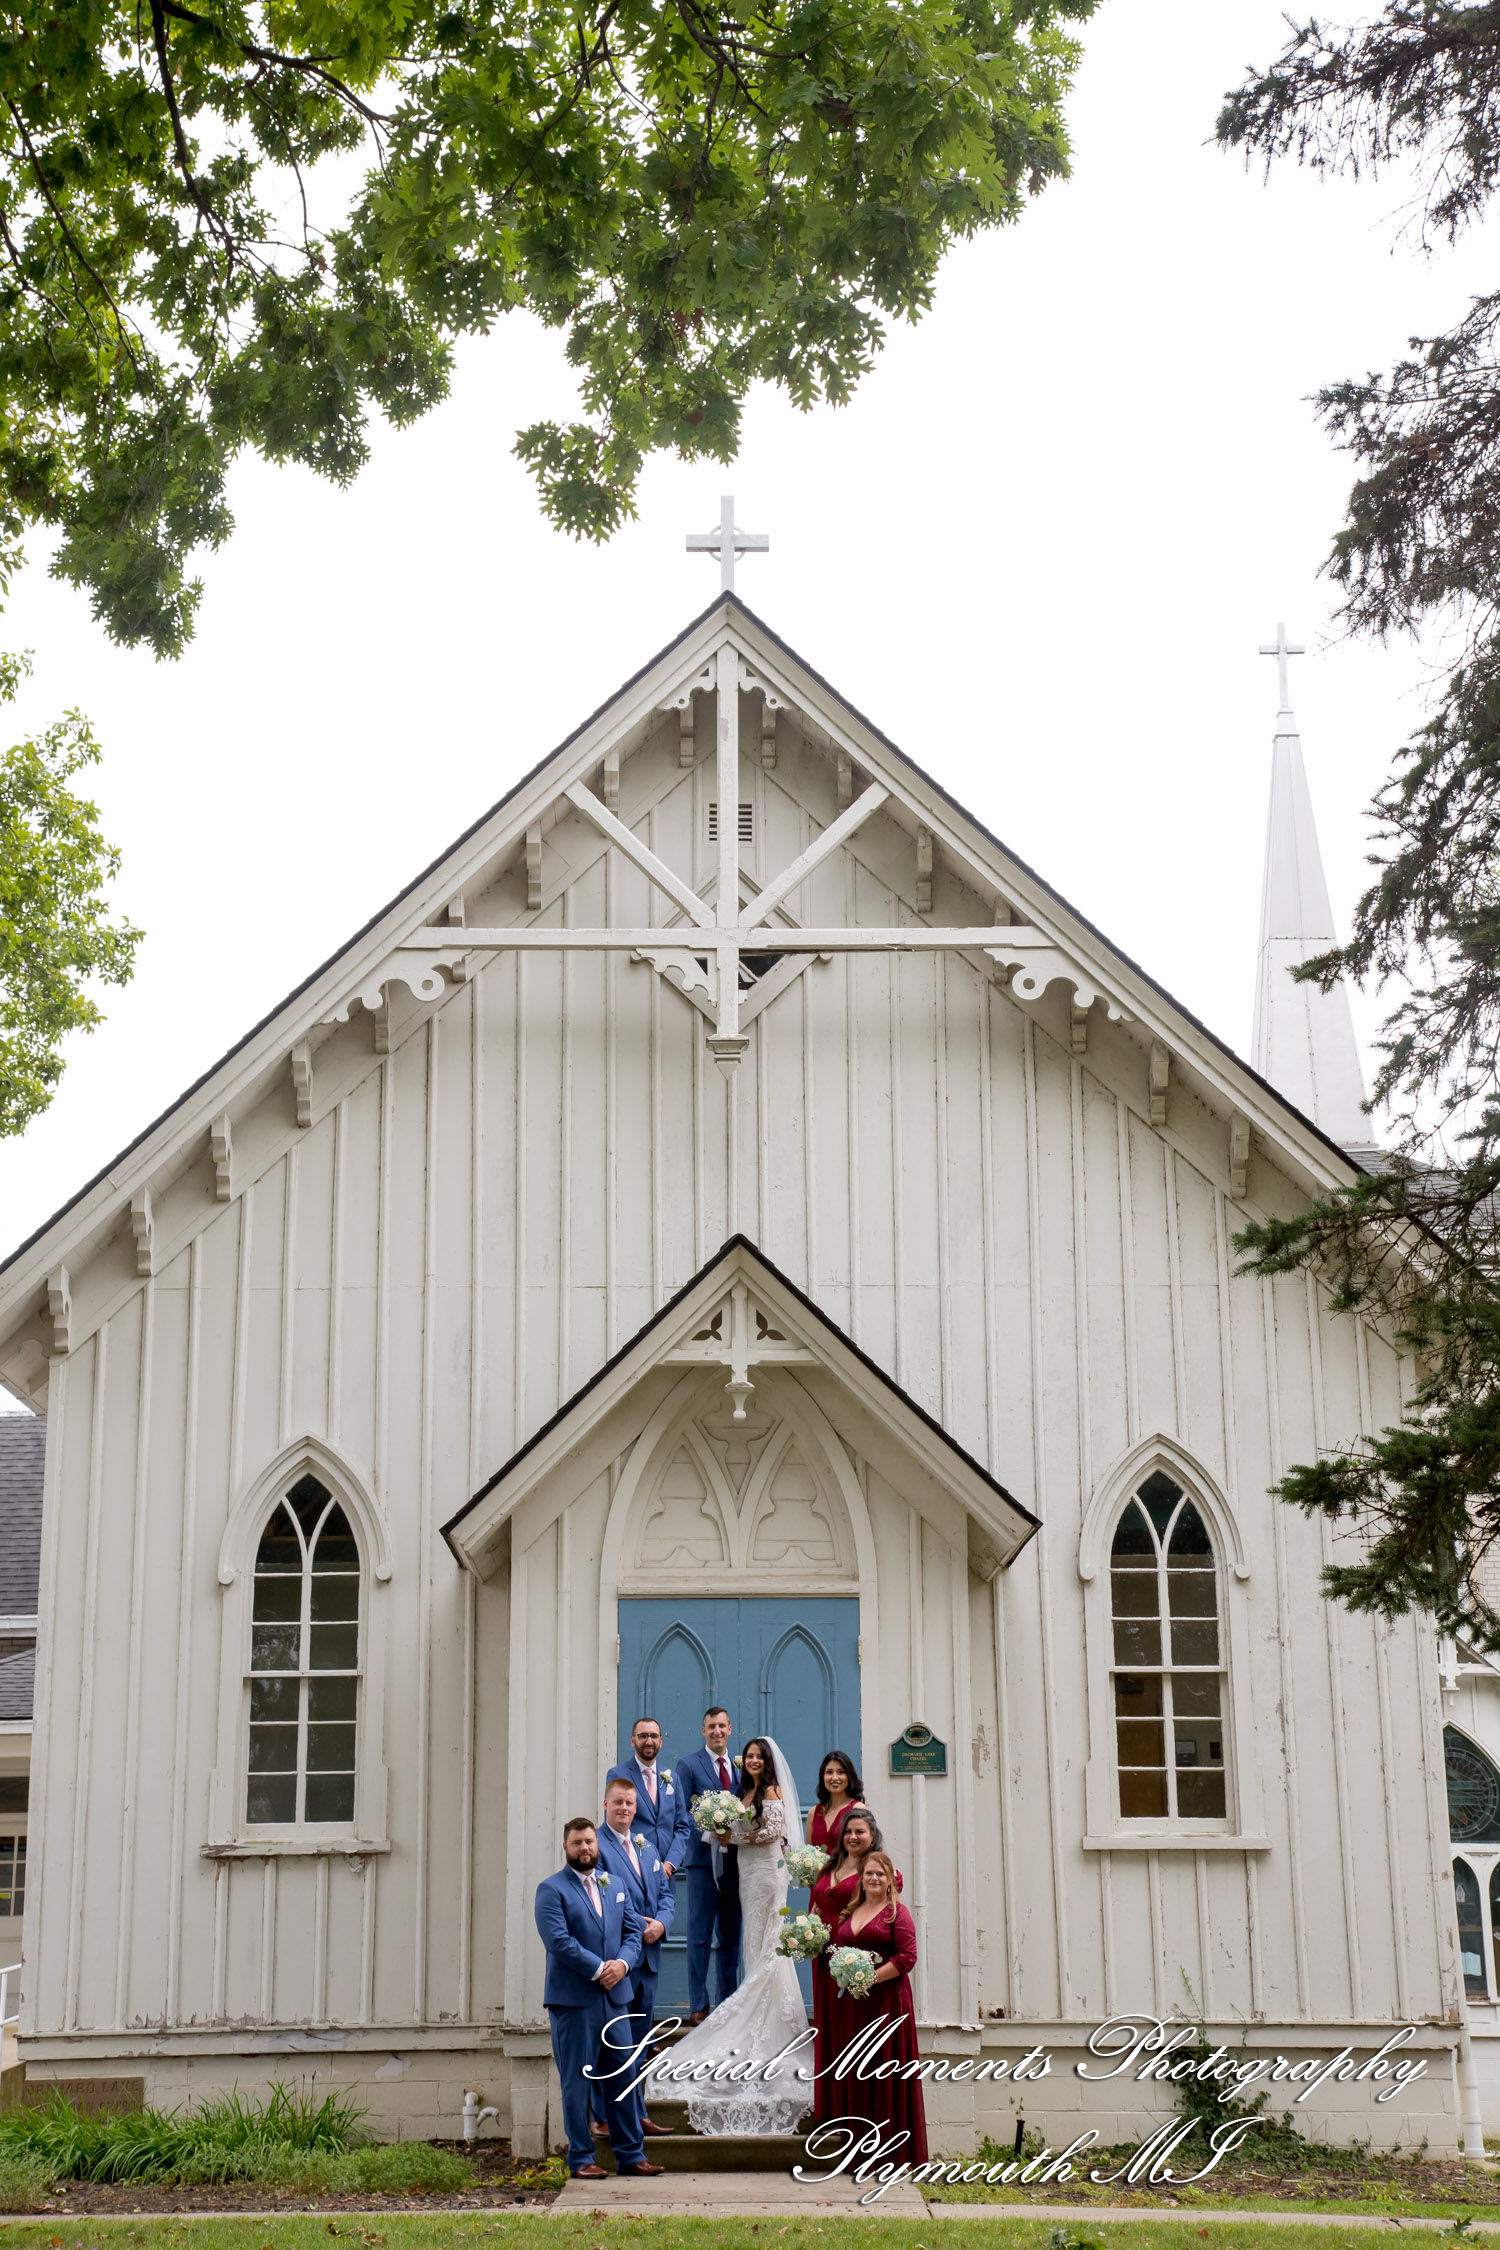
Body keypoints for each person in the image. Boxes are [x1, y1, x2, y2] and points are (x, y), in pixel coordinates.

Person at [664, 1735, 813, 2135]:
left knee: (769, 1944)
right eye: (748, 1756)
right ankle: (755, 2004)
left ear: (767, 1761)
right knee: (752, 1944)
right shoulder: (742, 1792)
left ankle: (769, 2016)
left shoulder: (773, 1791)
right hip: (747, 1875)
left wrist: (734, 1837)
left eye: (758, 1756)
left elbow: (771, 1833)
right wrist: (720, 1829)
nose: (752, 1761)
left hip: (768, 1872)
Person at [533, 1817, 664, 2181]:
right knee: (578, 2082)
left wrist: (622, 1965)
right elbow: (558, 1941)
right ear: (566, 1847)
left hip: (616, 1998)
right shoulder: (552, 1890)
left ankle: (631, 2156)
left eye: (589, 1842)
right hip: (575, 2001)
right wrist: (598, 1969)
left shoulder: (615, 1885)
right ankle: (581, 2157)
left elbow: (632, 1932)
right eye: (577, 1843)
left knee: (622, 2080)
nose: (585, 1848)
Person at [824, 1850, 927, 2160]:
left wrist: (870, 1979)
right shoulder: (851, 1911)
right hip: (853, 2008)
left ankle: (889, 2153)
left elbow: (907, 1957)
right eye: (868, 1873)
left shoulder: (897, 1913)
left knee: (883, 2071)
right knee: (857, 2071)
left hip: (886, 2005)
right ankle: (857, 2151)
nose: (873, 1878)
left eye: (880, 1874)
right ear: (861, 1879)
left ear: (890, 1880)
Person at [593, 1777, 675, 2139]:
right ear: (606, 1805)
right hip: (618, 1959)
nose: (624, 1808)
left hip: (650, 1958)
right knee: (612, 2042)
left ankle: (637, 2113)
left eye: (629, 1803)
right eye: (618, 1803)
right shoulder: (596, 1845)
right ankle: (604, 2116)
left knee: (640, 2043)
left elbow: (667, 1895)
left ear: (636, 1807)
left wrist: (661, 1923)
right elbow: (600, 1897)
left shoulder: (647, 1847)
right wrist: (638, 1926)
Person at [674, 1705, 744, 2022]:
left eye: (722, 1726)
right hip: (702, 1862)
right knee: (699, 1935)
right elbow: (680, 1814)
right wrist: (709, 1832)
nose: (717, 1731)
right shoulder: (689, 1765)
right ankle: (699, 2005)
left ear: (730, 1729)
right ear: (704, 1731)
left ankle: (727, 2002)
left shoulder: (742, 1768)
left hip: (735, 1866)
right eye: (711, 1726)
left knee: (730, 1936)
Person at [810, 1806, 878, 2121]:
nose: (852, 1837)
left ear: (872, 1836)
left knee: (850, 2031)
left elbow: (883, 1912)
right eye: (848, 1832)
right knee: (827, 2030)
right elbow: (815, 1903)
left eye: (859, 1832)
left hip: (853, 1960)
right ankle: (829, 2110)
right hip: (823, 1960)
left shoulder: (876, 1869)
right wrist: (807, 1933)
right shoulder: (829, 1866)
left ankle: (853, 2111)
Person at [606, 1716, 691, 1876]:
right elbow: (614, 1823)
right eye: (643, 1736)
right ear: (632, 1741)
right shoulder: (618, 1775)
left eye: (653, 1736)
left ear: (660, 1741)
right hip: (631, 1870)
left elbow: (682, 1827)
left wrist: (670, 1864)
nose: (649, 1741)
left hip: (666, 1872)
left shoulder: (672, 1778)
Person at [809, 1751, 867, 1856]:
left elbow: (863, 1850)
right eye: (829, 1772)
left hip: (847, 1871)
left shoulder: (857, 1808)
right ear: (823, 1776)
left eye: (841, 1772)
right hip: (819, 1872)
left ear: (849, 1776)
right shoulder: (813, 1812)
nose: (835, 1778)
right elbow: (808, 1852)